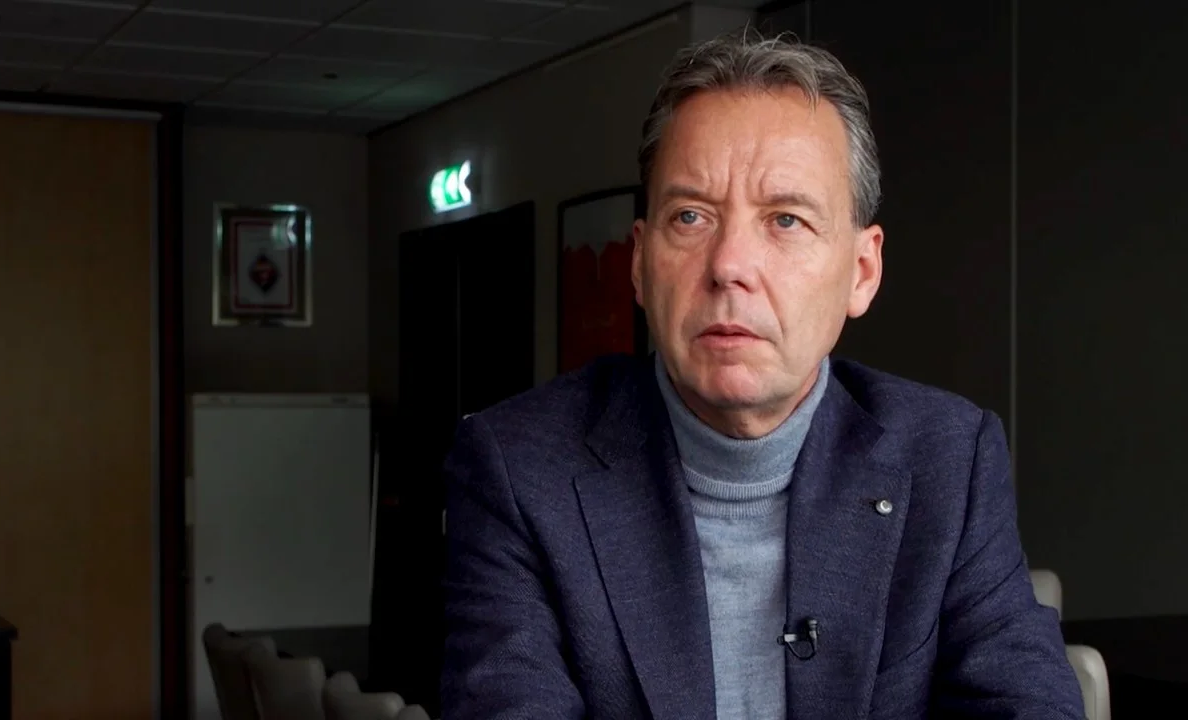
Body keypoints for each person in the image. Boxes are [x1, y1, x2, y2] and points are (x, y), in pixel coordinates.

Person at [440, 31, 1085, 720]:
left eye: (785, 219)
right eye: (691, 216)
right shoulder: (518, 470)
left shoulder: (948, 460)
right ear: (639, 263)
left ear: (861, 271)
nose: (729, 265)